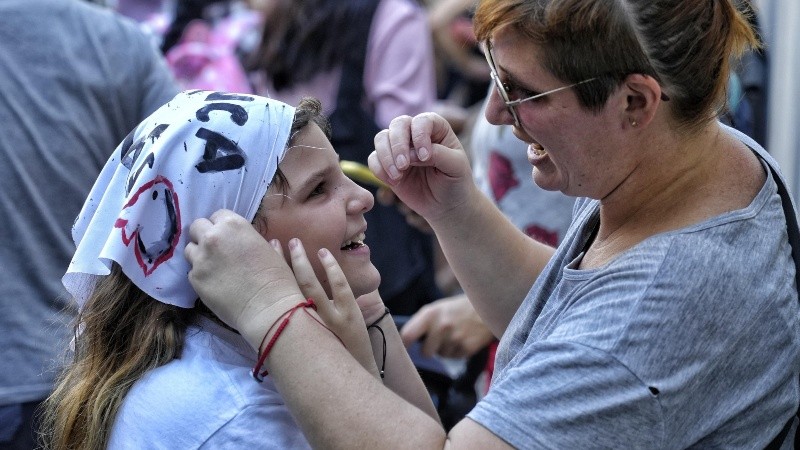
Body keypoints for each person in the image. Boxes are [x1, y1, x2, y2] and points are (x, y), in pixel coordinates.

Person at [184, 0, 800, 447]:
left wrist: (271, 314)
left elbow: (608, 334)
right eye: (494, 75)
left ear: (635, 101)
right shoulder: (694, 156)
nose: (496, 113)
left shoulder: (653, 317)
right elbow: (563, 313)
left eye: (524, 91)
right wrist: (455, 208)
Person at [40, 91, 437, 449]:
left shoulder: (219, 355)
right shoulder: (239, 415)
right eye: (318, 189)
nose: (364, 197)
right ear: (225, 243)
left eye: (343, 176)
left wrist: (368, 316)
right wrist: (362, 372)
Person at [0, 1, 179, 447]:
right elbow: (188, 182)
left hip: (67, 377)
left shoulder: (120, 45)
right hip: (75, 376)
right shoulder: (119, 44)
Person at [244, 0, 444, 317]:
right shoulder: (396, 16)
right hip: (388, 251)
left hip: (292, 269)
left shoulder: (278, 19)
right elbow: (407, 146)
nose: (361, 197)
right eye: (319, 187)